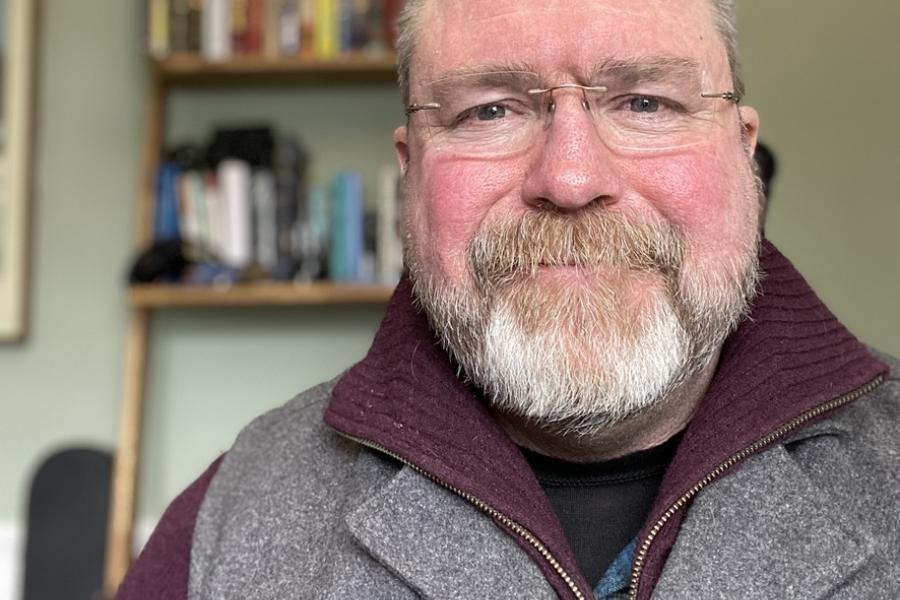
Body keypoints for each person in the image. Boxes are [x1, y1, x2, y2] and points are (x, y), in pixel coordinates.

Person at [116, 1, 899, 598]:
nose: (570, 179)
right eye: (489, 111)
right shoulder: (230, 519)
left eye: (645, 103)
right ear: (411, 172)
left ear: (743, 153)